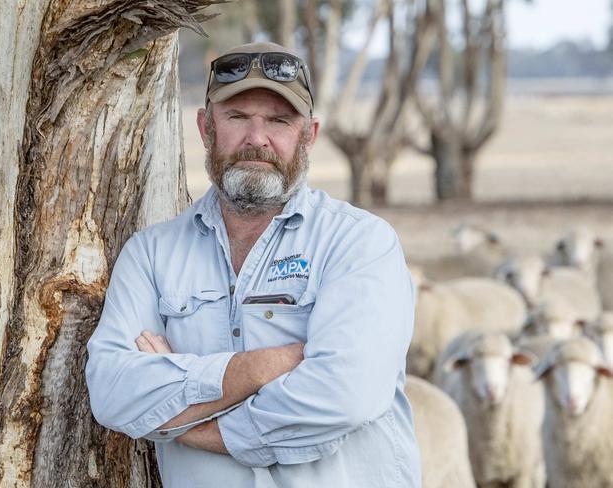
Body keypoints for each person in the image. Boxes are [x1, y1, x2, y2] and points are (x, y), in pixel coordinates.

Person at [85, 41, 421, 487]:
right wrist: (261, 368)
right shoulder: (152, 254)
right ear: (206, 128)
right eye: (238, 117)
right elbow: (111, 392)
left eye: (279, 121)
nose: (256, 139)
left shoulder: (359, 243)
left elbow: (346, 395)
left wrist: (193, 427)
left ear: (309, 135)